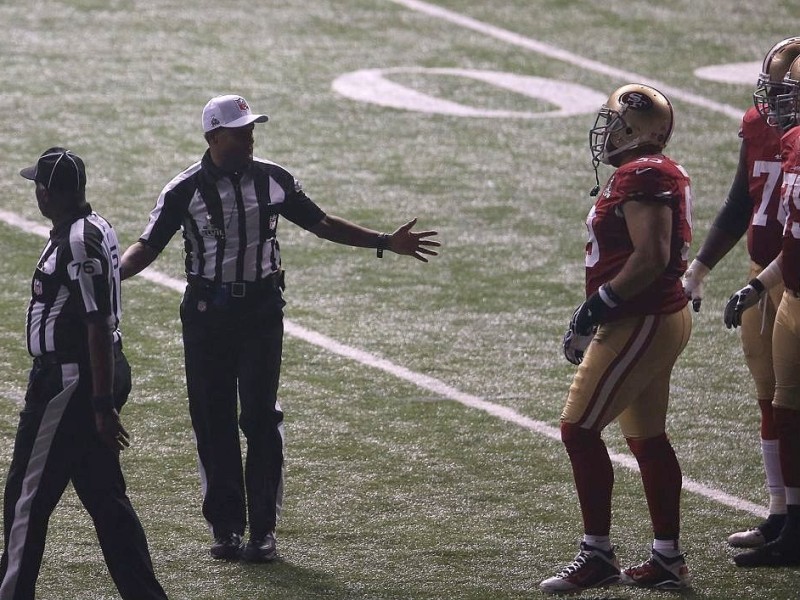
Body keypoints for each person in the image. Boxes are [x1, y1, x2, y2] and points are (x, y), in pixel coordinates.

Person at [120, 94, 439, 562]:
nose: (249, 137)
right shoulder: (183, 189)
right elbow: (148, 245)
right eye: (239, 130)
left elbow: (321, 222)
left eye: (251, 129)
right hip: (207, 313)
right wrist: (110, 274)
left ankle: (263, 530)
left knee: (259, 418)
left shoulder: (273, 178)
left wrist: (384, 241)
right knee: (213, 420)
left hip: (261, 312)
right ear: (212, 136)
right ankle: (227, 528)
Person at [541, 84, 693, 594]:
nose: (606, 132)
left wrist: (596, 308)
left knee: (578, 430)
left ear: (636, 129)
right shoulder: (642, 173)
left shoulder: (644, 173)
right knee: (646, 439)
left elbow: (651, 256)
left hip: (640, 317)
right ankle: (667, 557)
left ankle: (597, 554)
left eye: (615, 124)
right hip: (648, 316)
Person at [0, 148, 169, 599]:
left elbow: (96, 324)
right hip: (93, 375)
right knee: (105, 499)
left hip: (69, 384)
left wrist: (100, 405)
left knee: (25, 501)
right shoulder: (95, 227)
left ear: (46, 193)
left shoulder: (76, 240)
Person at [683, 37, 800, 549]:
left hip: (790, 275)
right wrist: (701, 267)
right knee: (773, 400)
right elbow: (739, 200)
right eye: (771, 88)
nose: (773, 100)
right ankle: (781, 512)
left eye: (786, 91)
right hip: (770, 270)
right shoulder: (759, 126)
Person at [723, 53, 800, 567]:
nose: (783, 99)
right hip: (791, 291)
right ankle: (790, 522)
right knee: (786, 412)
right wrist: (762, 284)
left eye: (793, 90)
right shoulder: (792, 144)